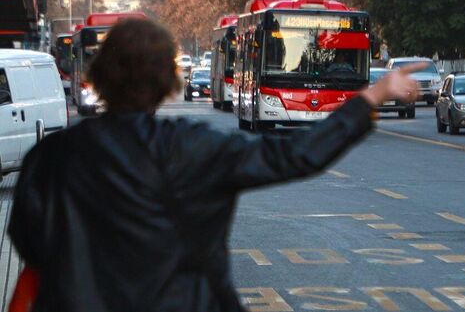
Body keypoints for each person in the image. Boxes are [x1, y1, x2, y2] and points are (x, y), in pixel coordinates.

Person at [7, 18, 421, 311]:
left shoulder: (50, 158)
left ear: (98, 74)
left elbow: (28, 241)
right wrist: (370, 98)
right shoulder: (196, 147)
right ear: (166, 81)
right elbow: (299, 156)